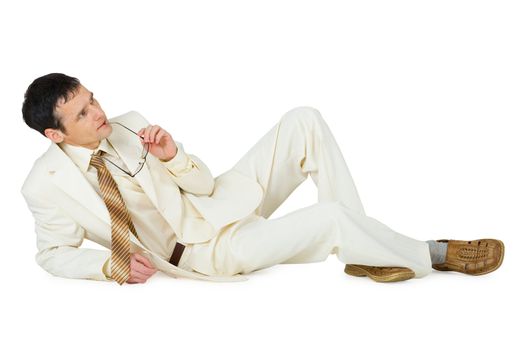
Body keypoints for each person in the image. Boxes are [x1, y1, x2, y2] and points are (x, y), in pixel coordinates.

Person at [21, 73, 505, 285]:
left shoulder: (126, 120)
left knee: (303, 119)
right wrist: (109, 268)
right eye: (83, 113)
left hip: (219, 202)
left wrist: (174, 155)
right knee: (330, 218)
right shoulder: (44, 184)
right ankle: (432, 253)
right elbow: (51, 255)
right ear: (53, 133)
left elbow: (204, 187)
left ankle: (366, 255)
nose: (99, 112)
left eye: (94, 98)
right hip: (205, 253)